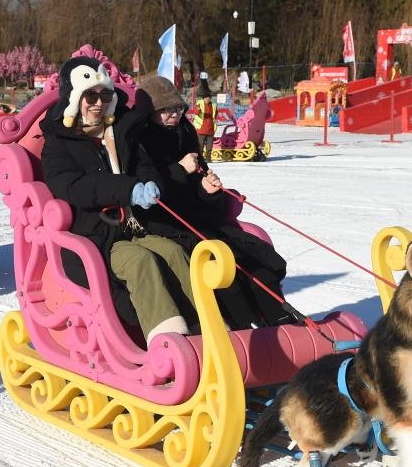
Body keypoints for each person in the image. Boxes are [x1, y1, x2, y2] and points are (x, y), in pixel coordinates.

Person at [40, 58, 196, 343]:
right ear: (75, 99)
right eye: (90, 96)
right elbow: (76, 187)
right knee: (140, 261)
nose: (98, 103)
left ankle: (203, 328)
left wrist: (150, 183)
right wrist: (128, 188)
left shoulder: (118, 132)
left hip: (135, 226)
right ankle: (168, 343)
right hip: (95, 236)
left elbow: (142, 163)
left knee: (173, 252)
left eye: (105, 95)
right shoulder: (59, 144)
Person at [119, 75, 292, 330]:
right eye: (166, 110)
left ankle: (279, 319)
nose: (174, 115)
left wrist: (208, 189)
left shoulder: (184, 132)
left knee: (253, 257)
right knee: (223, 266)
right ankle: (244, 328)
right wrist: (179, 170)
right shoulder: (140, 141)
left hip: (198, 217)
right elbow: (150, 192)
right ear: (151, 112)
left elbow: (198, 183)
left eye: (177, 108)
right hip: (164, 224)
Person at [193, 83, 216, 162]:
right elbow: (196, 112)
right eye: (206, 98)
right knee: (200, 146)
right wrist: (198, 110)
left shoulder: (213, 105)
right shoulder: (200, 104)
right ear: (203, 98)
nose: (208, 99)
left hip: (211, 129)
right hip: (201, 129)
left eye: (209, 98)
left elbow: (215, 115)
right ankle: (200, 159)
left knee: (209, 146)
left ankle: (208, 158)